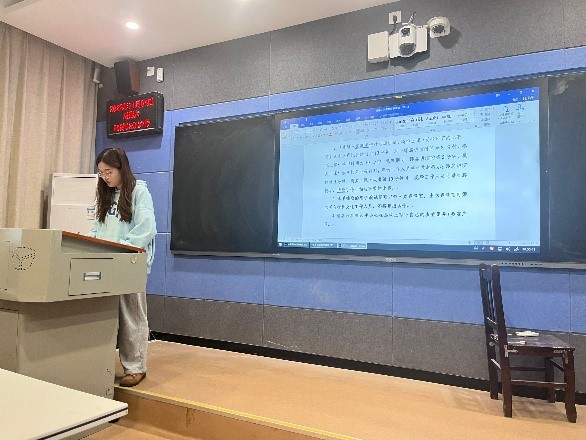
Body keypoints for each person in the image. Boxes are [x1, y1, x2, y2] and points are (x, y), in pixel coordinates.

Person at [89, 147, 156, 387]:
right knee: (103, 314)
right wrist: (90, 245)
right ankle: (100, 365)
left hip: (129, 262)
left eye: (109, 172)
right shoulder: (105, 194)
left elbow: (146, 228)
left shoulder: (139, 191)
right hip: (107, 262)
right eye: (101, 172)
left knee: (132, 316)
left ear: (121, 169)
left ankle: (136, 368)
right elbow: (98, 228)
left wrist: (122, 247)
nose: (104, 177)